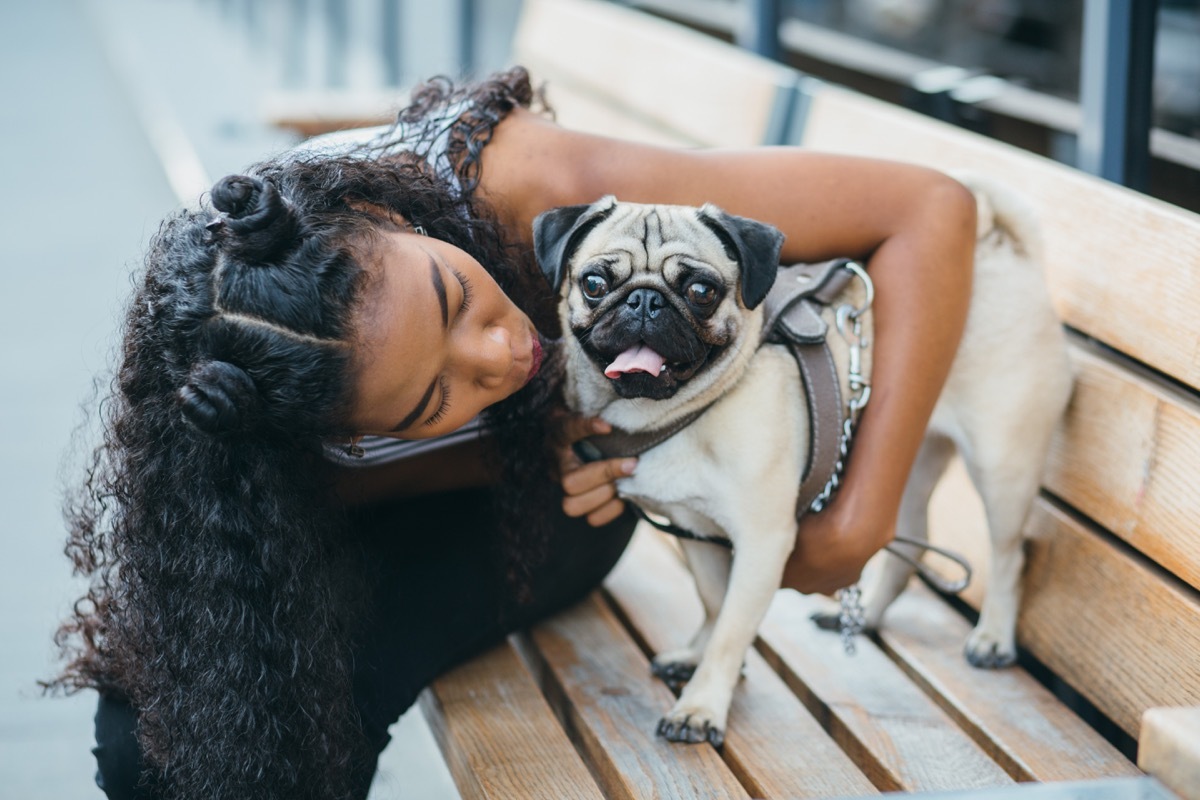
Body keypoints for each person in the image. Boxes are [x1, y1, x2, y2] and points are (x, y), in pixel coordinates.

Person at [48, 68, 975, 800]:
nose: (499, 354)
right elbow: (320, 503)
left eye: (455, 299)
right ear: (350, 436)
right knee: (150, 735)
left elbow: (931, 207)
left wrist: (858, 521)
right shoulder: (260, 400)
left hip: (578, 488)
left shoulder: (542, 183)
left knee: (332, 698)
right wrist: (513, 436)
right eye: (431, 398)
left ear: (383, 216)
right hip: (477, 467)